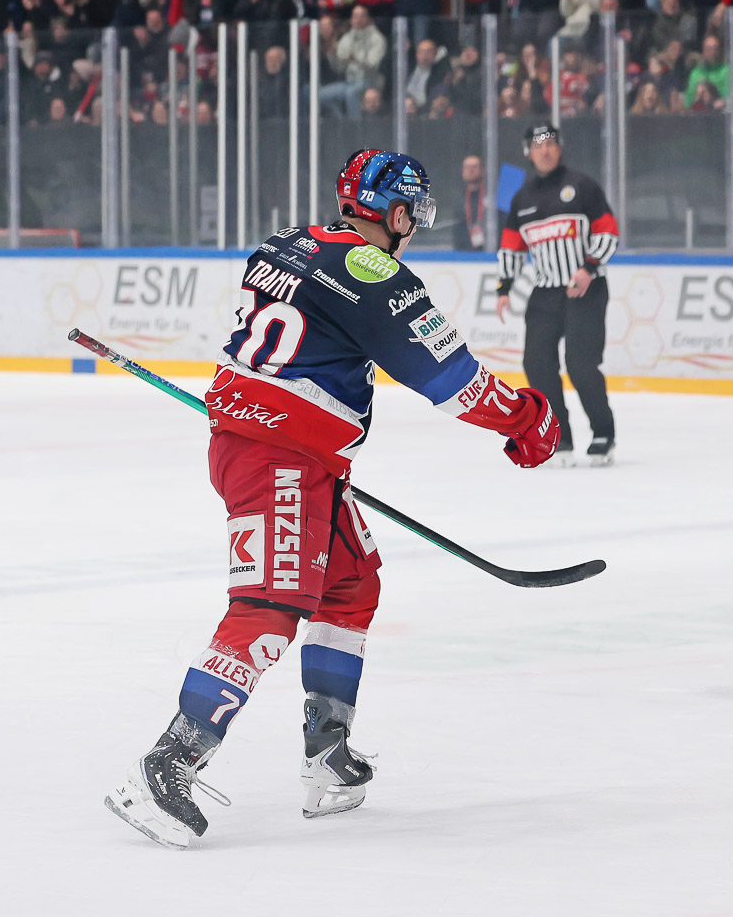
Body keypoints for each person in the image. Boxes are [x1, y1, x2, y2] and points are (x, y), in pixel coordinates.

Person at [105, 150, 560, 849]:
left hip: (281, 446)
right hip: (278, 458)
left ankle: (327, 753)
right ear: (395, 212)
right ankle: (168, 763)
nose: (414, 226)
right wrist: (528, 419)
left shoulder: (288, 241)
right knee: (270, 602)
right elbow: (457, 385)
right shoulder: (378, 278)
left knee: (349, 585)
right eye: (412, 212)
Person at [495, 125, 618, 466]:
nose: (545, 151)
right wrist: (504, 288)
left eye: (550, 144)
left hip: (585, 289)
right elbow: (511, 247)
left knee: (581, 364)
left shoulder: (582, 186)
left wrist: (589, 268)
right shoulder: (522, 199)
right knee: (536, 364)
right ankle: (559, 437)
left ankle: (603, 433)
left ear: (560, 149)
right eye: (538, 146)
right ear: (528, 153)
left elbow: (608, 231)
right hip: (545, 292)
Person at [453, 154, 486, 251]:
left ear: (482, 170)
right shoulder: (459, 201)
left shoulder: (492, 199)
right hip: (464, 253)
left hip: (488, 251)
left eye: (474, 167)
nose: (470, 170)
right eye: (467, 167)